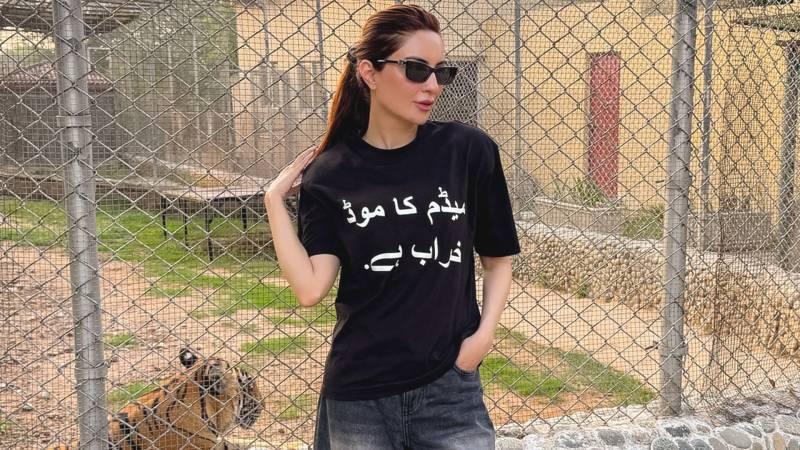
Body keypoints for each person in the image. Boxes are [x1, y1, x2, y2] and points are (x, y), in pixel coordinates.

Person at [263, 4, 520, 449]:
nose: (433, 85)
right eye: (417, 70)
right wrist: (272, 201)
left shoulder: (467, 151)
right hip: (359, 394)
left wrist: (482, 338)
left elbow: (497, 258)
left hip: (450, 389)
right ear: (370, 72)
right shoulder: (332, 174)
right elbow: (310, 289)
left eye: (441, 72)